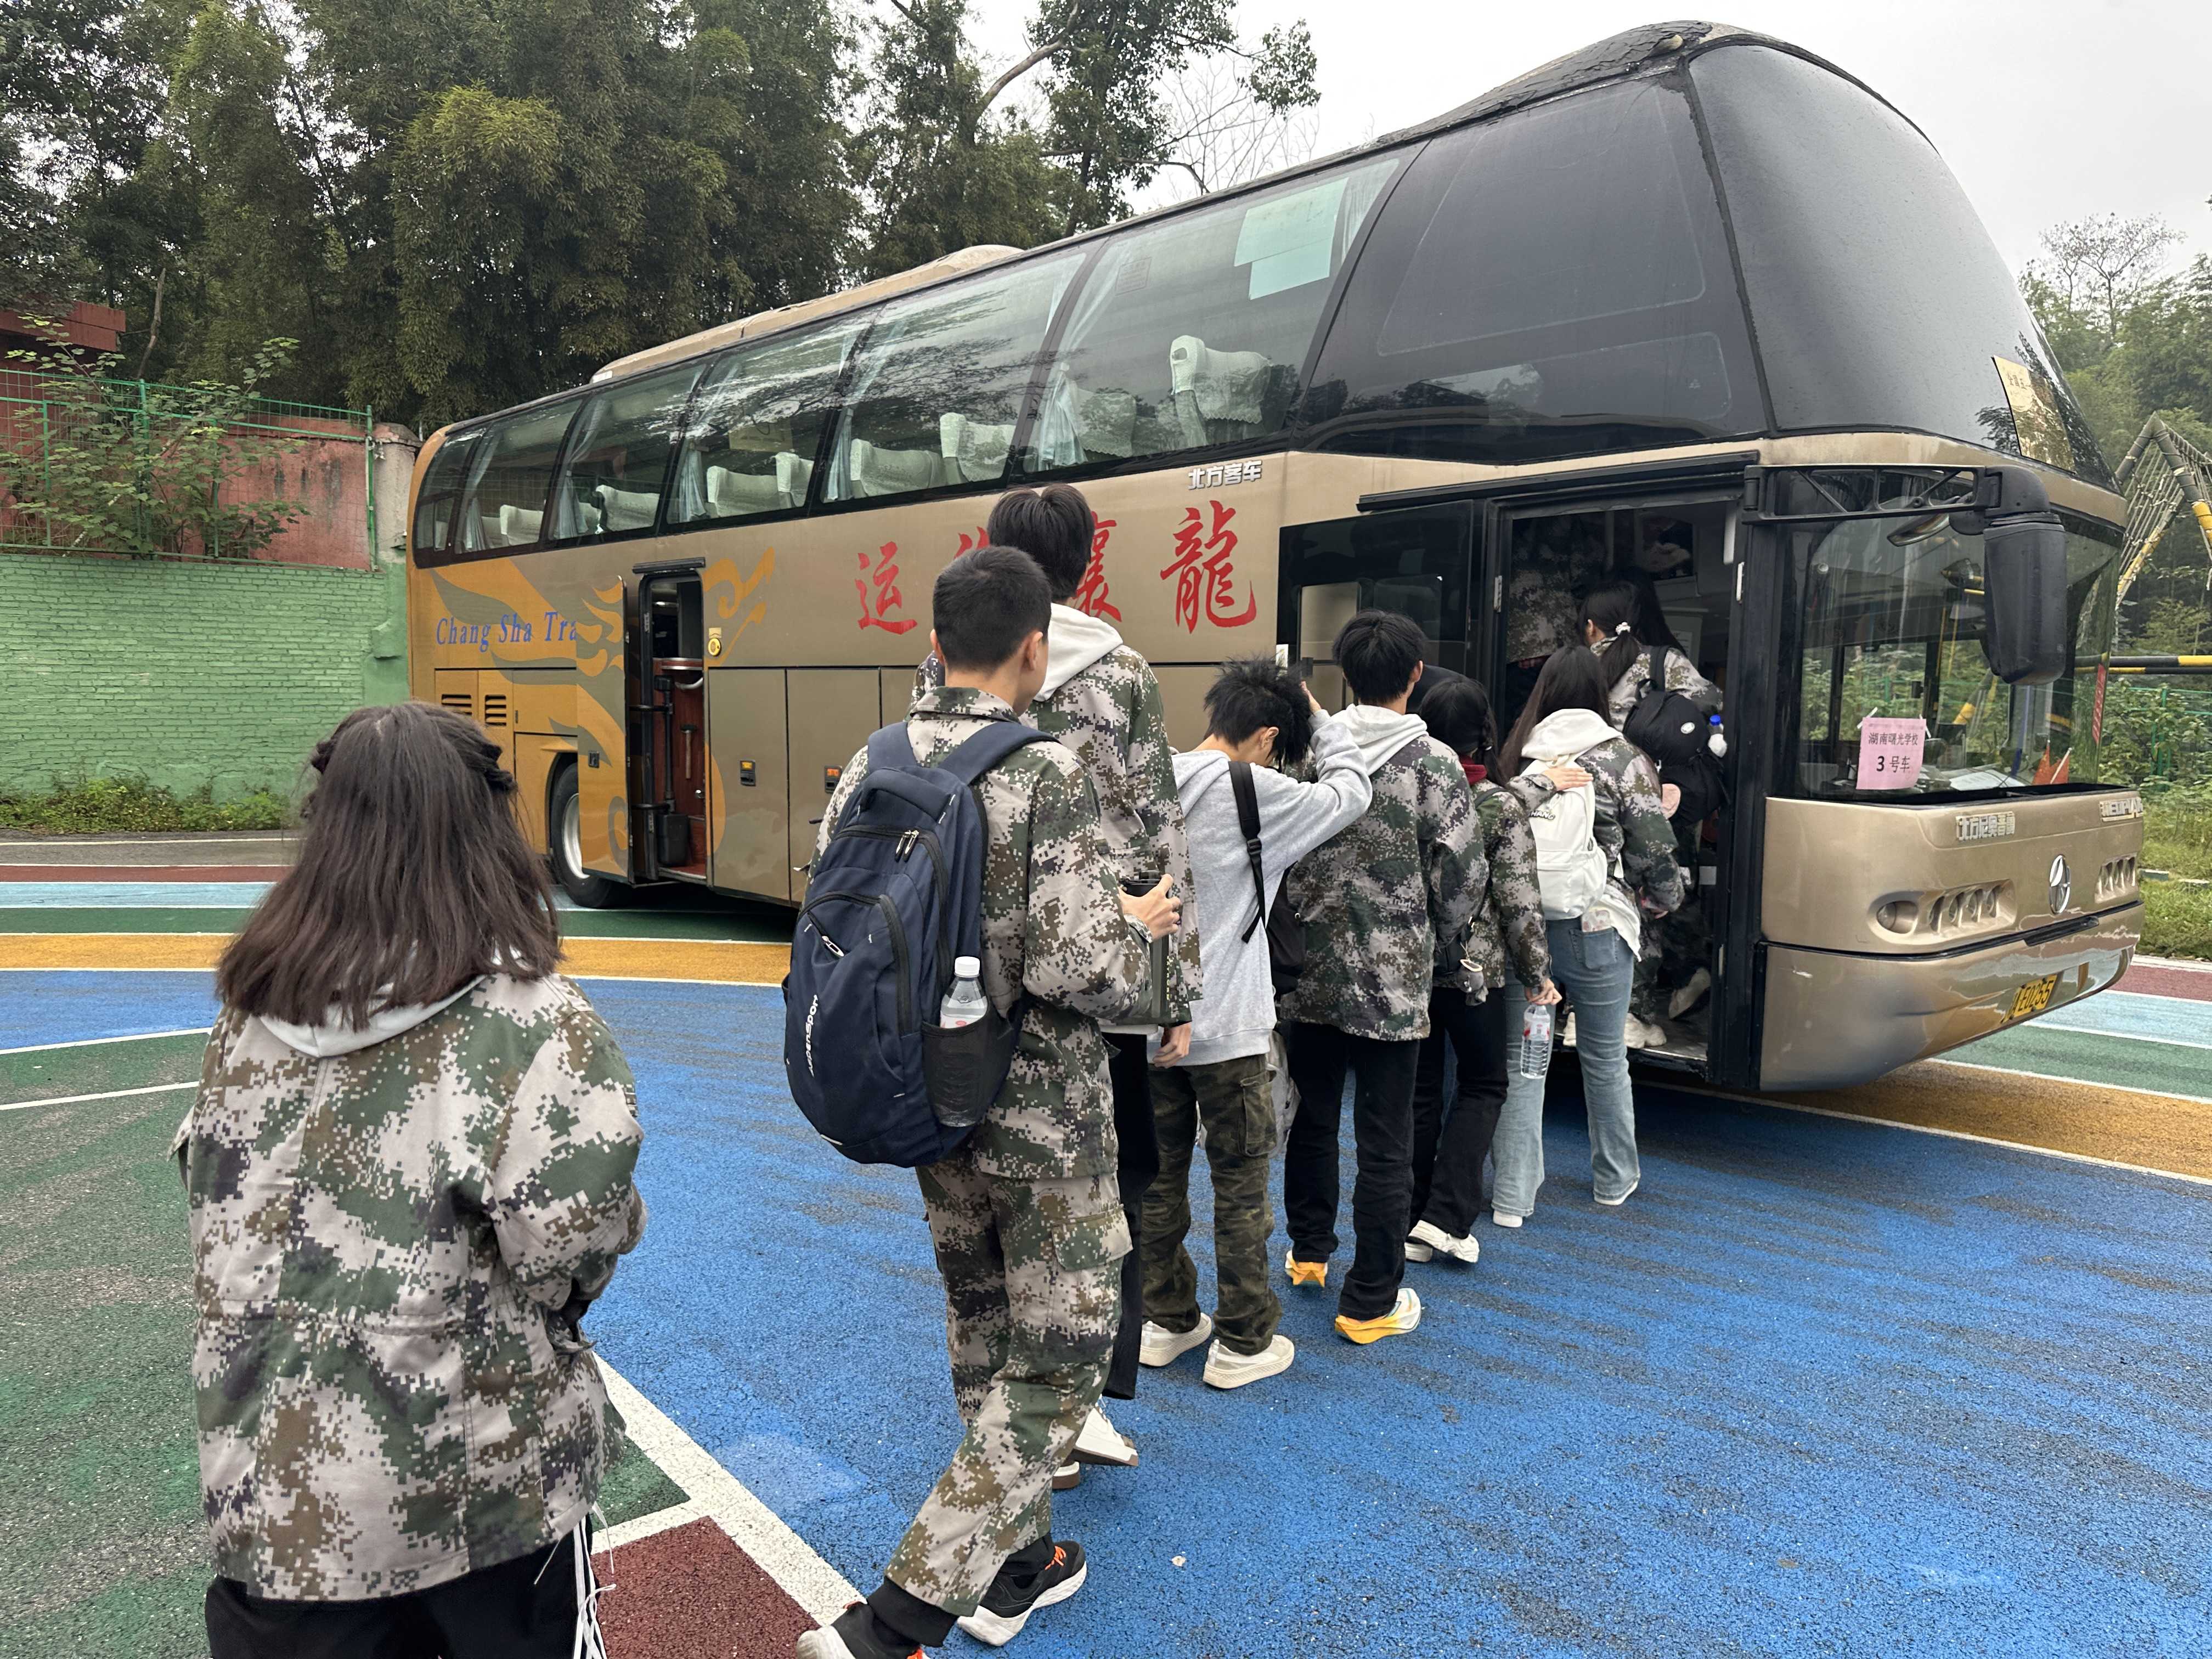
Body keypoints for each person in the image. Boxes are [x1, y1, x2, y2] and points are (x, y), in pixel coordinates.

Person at [177, 702, 646, 1659]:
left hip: (274, 1487)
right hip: (480, 1496)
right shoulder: (533, 1020)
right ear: (485, 826)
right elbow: (571, 1245)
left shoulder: (249, 1013)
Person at [802, 546, 1180, 1659]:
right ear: (1034, 650)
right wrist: (1142, 934)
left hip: (927, 1099)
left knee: (983, 1327)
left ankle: (1018, 1567)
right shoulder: (1042, 769)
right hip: (1044, 1116)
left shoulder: (872, 761)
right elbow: (1079, 967)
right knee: (1060, 1357)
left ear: (934, 644)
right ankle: (894, 1620)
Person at [916, 483, 1196, 1481]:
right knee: (1103, 1193)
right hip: (1097, 966)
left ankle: (1003, 1412)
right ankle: (1074, 1407)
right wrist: (1173, 991)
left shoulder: (947, 664)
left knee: (978, 1199)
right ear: (1085, 561)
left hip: (966, 974)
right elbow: (1162, 833)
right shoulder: (1124, 674)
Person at [1139, 659, 1372, 1389]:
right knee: (1239, 1186)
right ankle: (1242, 1343)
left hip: (1150, 1023)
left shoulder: (1152, 779)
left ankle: (1166, 1319)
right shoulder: (1259, 790)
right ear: (1269, 736)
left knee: (1157, 1181)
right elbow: (1353, 791)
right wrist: (1323, 719)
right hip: (1231, 1028)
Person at [1279, 611, 1482, 1346]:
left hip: (1306, 972)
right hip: (1394, 984)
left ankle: (1308, 1253)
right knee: (1386, 1140)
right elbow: (1462, 880)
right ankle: (1369, 1301)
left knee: (1312, 1117)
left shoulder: (1310, 754)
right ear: (1416, 676)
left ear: (1345, 675)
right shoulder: (1435, 765)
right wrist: (1443, 941)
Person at [1492, 647, 1686, 1226]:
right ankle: (1614, 1181)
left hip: (1526, 929)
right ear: (1600, 694)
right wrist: (1660, 902)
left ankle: (1512, 1197)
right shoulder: (1623, 758)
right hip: (1599, 927)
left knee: (1524, 1062)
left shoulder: (1521, 753)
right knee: (1604, 1058)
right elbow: (1654, 853)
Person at [1403, 678, 1558, 1265]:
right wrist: (1537, 973)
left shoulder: (1404, 792)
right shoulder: (1498, 805)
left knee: (1419, 1091)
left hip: (1408, 968)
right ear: (1484, 734)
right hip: (1475, 973)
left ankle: (1411, 1215)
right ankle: (1445, 1217)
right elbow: (1520, 902)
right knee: (1484, 1084)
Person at [1580, 575, 1723, 1037]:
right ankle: (1677, 980)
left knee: (1608, 896)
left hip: (1591, 798)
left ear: (1590, 627)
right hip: (1657, 796)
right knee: (1662, 891)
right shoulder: (1663, 661)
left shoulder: (1579, 667)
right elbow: (1711, 703)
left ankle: (1616, 1006)